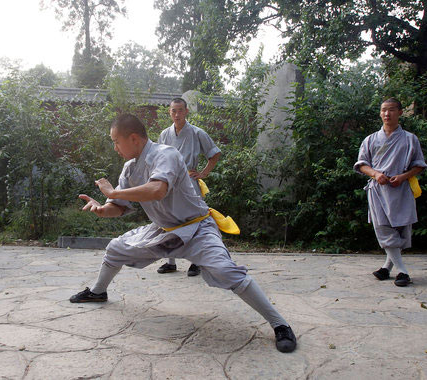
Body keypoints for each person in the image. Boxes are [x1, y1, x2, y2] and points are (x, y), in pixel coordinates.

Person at [70, 114, 297, 353]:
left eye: (116, 141)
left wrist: (113, 193)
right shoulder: (129, 169)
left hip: (197, 227)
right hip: (163, 230)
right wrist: (102, 209)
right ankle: (98, 292)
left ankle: (280, 324)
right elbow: (118, 207)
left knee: (225, 270)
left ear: (133, 138)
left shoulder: (166, 154)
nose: (114, 147)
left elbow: (158, 190)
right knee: (116, 247)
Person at [354, 98, 427, 287]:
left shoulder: (410, 139)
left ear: (400, 112)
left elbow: (419, 165)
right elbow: (362, 164)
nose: (387, 114)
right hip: (378, 190)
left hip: (401, 189)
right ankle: (403, 271)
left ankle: (386, 268)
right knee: (384, 229)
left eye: (392, 110)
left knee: (401, 229)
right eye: (384, 110)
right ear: (380, 113)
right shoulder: (370, 139)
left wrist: (403, 176)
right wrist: (376, 174)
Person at [156, 97, 222, 277]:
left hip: (189, 182)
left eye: (180, 110)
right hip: (169, 182)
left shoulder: (197, 133)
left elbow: (214, 154)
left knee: (194, 221)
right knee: (168, 219)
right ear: (169, 112)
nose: (176, 114)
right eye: (173, 111)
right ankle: (170, 261)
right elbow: (159, 158)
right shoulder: (164, 134)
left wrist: (203, 173)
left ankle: (196, 262)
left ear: (186, 111)